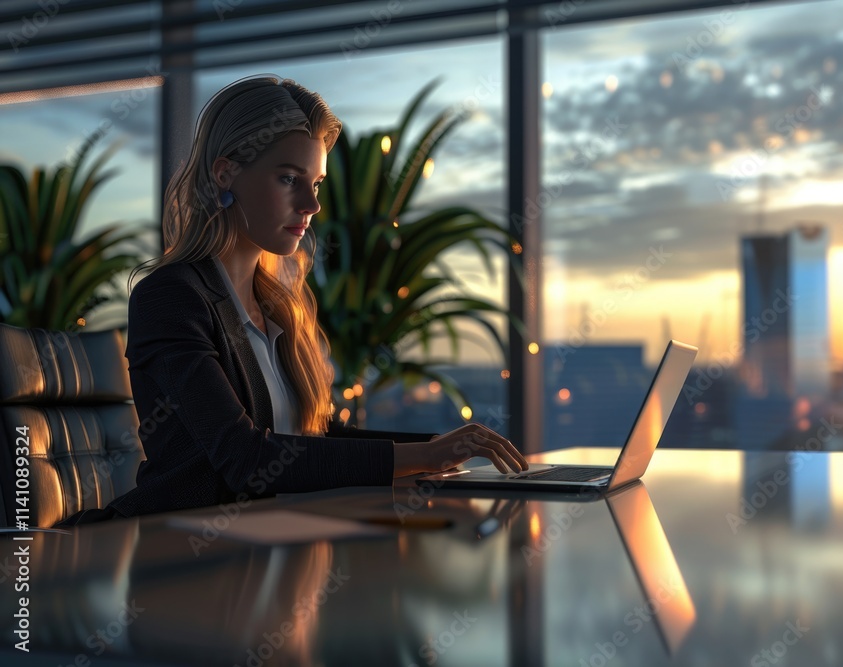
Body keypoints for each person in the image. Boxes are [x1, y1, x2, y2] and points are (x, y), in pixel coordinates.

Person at [58, 75, 526, 526]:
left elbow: (314, 437)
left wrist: (440, 447)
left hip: (272, 548)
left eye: (316, 183)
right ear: (226, 174)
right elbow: (245, 458)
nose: (312, 205)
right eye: (289, 179)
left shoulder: (277, 304)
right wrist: (424, 455)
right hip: (183, 556)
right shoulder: (170, 296)